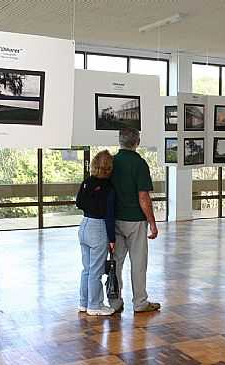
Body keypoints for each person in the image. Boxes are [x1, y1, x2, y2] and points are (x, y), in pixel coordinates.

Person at [110, 128, 161, 313]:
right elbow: (143, 197)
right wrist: (153, 223)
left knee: (116, 262)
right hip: (136, 221)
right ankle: (140, 302)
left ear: (120, 141)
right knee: (138, 263)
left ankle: (114, 302)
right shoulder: (139, 164)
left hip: (115, 220)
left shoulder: (112, 162)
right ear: (137, 142)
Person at [75, 150, 116, 316]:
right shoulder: (109, 187)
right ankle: (95, 305)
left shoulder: (86, 182)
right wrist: (112, 238)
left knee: (86, 269)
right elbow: (109, 215)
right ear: (109, 168)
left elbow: (79, 203)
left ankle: (83, 303)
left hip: (84, 225)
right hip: (98, 228)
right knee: (96, 271)